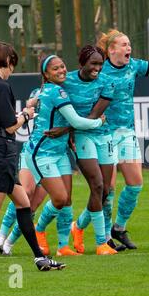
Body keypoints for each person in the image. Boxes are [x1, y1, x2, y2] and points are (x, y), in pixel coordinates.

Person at [0, 42, 65, 275]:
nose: (12, 71)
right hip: (1, 152)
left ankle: (40, 258)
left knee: (23, 203)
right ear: (7, 61)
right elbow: (10, 127)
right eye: (12, 65)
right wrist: (27, 114)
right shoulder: (1, 86)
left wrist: (14, 118)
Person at [96, 29, 149, 249]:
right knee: (107, 189)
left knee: (135, 184)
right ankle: (103, 237)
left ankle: (118, 228)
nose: (129, 48)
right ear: (111, 49)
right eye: (124, 45)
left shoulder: (134, 65)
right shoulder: (98, 69)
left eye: (129, 44)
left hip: (127, 132)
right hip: (105, 133)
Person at [28, 55, 105, 256]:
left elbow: (33, 101)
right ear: (46, 74)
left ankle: (63, 247)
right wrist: (99, 122)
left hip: (60, 152)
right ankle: (38, 230)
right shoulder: (55, 91)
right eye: (55, 69)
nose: (62, 70)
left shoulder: (52, 89)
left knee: (67, 199)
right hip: (43, 153)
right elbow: (78, 122)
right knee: (59, 198)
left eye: (62, 66)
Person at [63, 45, 121, 255]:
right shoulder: (67, 81)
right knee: (96, 185)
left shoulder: (107, 82)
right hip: (81, 136)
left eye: (100, 64)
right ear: (82, 63)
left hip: (102, 134)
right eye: (93, 63)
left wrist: (69, 127)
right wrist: (69, 132)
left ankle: (78, 227)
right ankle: (100, 244)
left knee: (105, 191)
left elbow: (95, 115)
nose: (97, 68)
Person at [0, 88, 49, 256]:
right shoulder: (39, 92)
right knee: (25, 192)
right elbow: (29, 106)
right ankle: (0, 237)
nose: (61, 72)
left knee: (34, 204)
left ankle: (9, 243)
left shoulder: (68, 92)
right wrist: (34, 103)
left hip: (55, 154)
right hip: (33, 150)